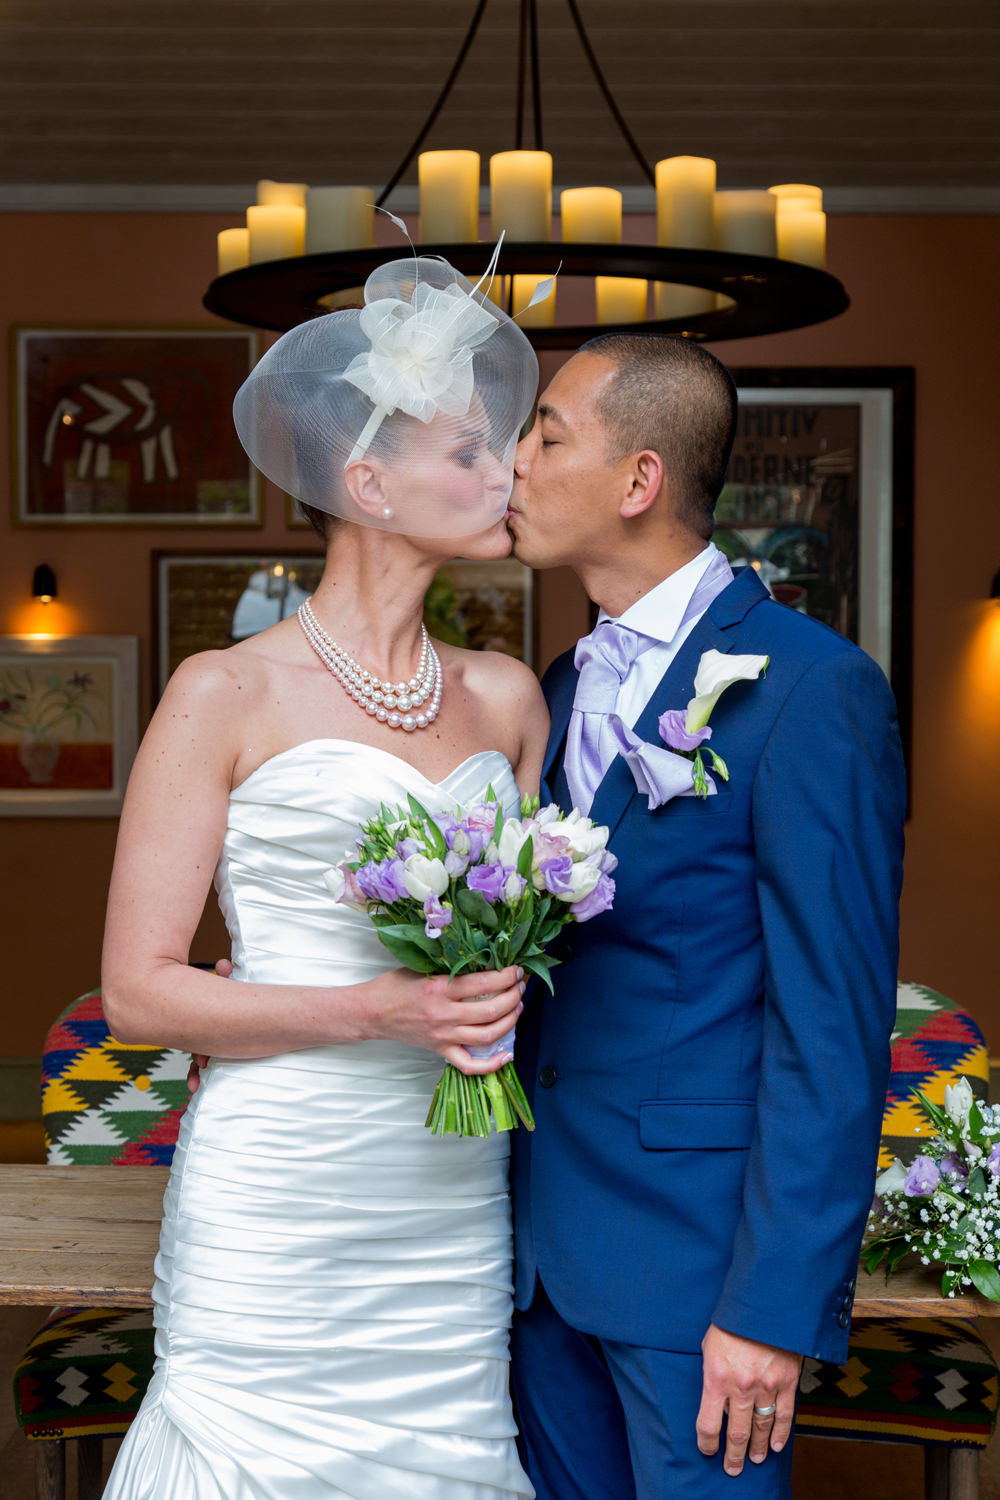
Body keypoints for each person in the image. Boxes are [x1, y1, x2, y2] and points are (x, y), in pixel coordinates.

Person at [100, 253, 549, 1499]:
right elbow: (137, 994)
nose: (503, 472)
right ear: (368, 483)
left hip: (448, 1192)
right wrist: (373, 1010)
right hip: (281, 1190)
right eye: (467, 450)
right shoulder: (223, 693)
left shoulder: (508, 700)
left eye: (501, 445)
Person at [504, 332, 906, 1499]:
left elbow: (829, 1027)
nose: (514, 463)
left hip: (699, 1282)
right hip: (542, 1265)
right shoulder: (560, 686)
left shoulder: (811, 688)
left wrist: (772, 1309)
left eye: (546, 435)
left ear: (638, 480)